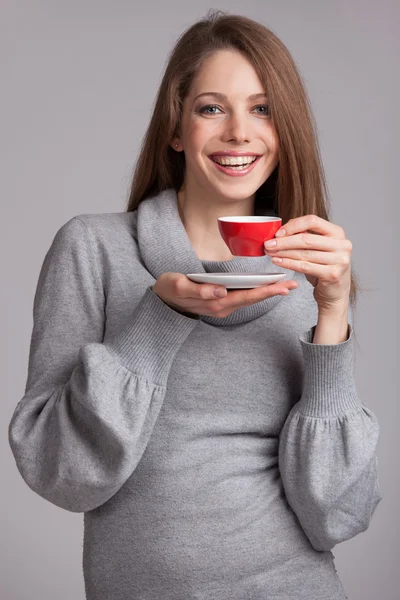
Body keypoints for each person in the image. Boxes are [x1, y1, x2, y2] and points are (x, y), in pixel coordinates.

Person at [8, 10, 383, 600]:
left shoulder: (309, 269)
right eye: (213, 108)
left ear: (287, 131)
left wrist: (333, 315)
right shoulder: (93, 247)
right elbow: (59, 471)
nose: (239, 131)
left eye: (262, 109)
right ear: (176, 129)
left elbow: (336, 514)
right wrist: (159, 317)